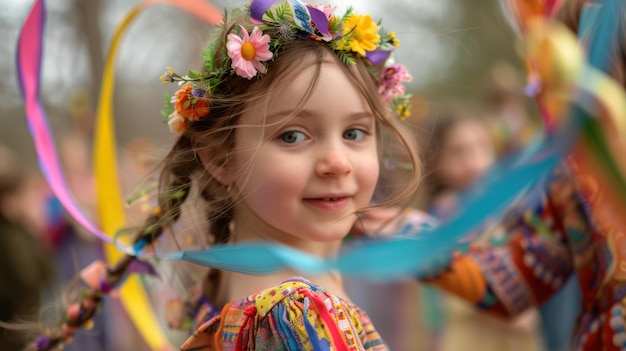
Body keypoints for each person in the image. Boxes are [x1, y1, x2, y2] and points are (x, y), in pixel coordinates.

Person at [27, 1, 419, 350]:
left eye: (354, 133)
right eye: (293, 135)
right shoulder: (296, 318)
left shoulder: (240, 282)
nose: (338, 162)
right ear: (220, 159)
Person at [418, 104, 544, 351]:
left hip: (515, 331)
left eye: (481, 147)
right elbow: (436, 295)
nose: (473, 161)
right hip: (472, 334)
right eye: (458, 152)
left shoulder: (504, 206)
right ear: (437, 162)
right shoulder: (444, 216)